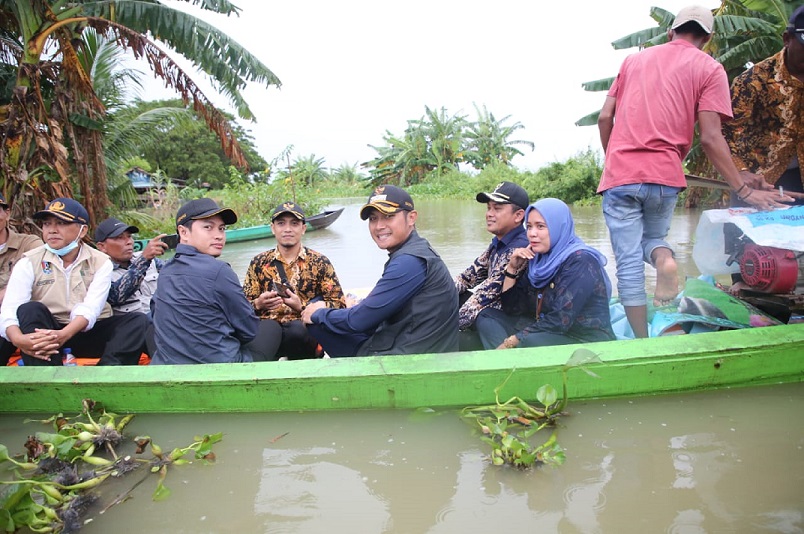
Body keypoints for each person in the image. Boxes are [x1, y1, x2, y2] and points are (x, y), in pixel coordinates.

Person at [596, 5, 796, 339]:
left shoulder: (633, 61)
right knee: (654, 241)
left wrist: (614, 160)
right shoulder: (710, 67)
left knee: (628, 262)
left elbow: (605, 118)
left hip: (621, 176)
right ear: (708, 38)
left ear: (670, 31)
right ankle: (665, 260)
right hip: (665, 178)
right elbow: (711, 137)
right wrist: (741, 187)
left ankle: (641, 342)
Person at [301, 185, 459, 356]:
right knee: (325, 308)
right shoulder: (417, 250)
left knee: (317, 320)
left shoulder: (409, 261)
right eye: (373, 218)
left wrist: (318, 314)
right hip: (411, 344)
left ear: (411, 218)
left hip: (408, 360)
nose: (378, 226)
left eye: (389, 216)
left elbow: (359, 321)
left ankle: (353, 375)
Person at [0, 198, 148, 366]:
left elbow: (91, 309)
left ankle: (105, 374)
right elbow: (10, 309)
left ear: (82, 230)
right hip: (48, 333)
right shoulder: (29, 261)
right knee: (29, 309)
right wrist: (18, 339)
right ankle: (46, 374)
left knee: (138, 321)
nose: (52, 230)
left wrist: (64, 335)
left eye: (61, 223)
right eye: (47, 224)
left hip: (87, 331)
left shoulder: (100, 261)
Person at [475, 198, 615, 349]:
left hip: (582, 339)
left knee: (529, 342)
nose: (532, 234)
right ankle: (505, 363)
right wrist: (512, 270)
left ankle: (503, 361)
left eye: (540, 226)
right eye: (529, 226)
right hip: (546, 331)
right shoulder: (538, 260)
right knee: (487, 315)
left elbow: (560, 320)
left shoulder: (581, 261)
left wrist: (512, 341)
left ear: (558, 227)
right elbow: (512, 309)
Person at [150, 198, 258, 364]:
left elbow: (156, 313)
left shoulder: (166, 271)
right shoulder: (220, 271)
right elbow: (248, 331)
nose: (218, 236)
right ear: (184, 232)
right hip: (218, 369)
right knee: (272, 329)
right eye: (208, 227)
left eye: (221, 229)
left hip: (169, 365)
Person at [722, 5, 804, 206]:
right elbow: (725, 132)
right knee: (749, 237)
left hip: (800, 180)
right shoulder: (753, 81)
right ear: (787, 39)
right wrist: (741, 172)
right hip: (758, 184)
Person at [243, 202, 346, 361]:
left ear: (303, 229)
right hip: (268, 329)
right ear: (273, 228)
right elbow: (242, 306)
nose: (288, 229)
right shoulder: (259, 263)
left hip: (303, 332)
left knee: (297, 330)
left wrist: (302, 307)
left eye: (294, 223)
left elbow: (339, 304)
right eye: (281, 223)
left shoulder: (319, 262)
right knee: (266, 330)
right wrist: (258, 304)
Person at [455, 181, 529, 349]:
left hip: (510, 321)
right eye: (489, 208)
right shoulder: (498, 243)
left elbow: (481, 298)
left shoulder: (520, 248)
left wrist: (436, 330)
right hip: (491, 314)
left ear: (518, 216)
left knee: (481, 315)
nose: (489, 214)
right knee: (452, 296)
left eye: (497, 209)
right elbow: (467, 277)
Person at [0, 193, 43, 365]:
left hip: (18, 318)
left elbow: (42, 277)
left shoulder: (30, 244)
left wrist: (7, 294)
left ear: (7, 213)